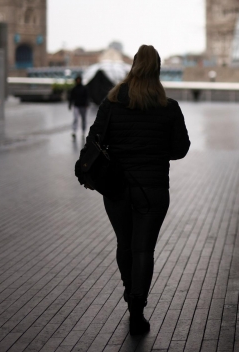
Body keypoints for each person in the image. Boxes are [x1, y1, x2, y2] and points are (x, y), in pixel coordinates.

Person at [78, 45, 190, 335]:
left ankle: (130, 293)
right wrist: (154, 150)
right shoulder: (169, 107)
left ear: (133, 67)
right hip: (152, 190)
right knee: (143, 249)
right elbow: (181, 150)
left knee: (124, 244)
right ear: (157, 70)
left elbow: (94, 140)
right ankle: (137, 309)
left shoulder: (111, 103)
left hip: (115, 187)